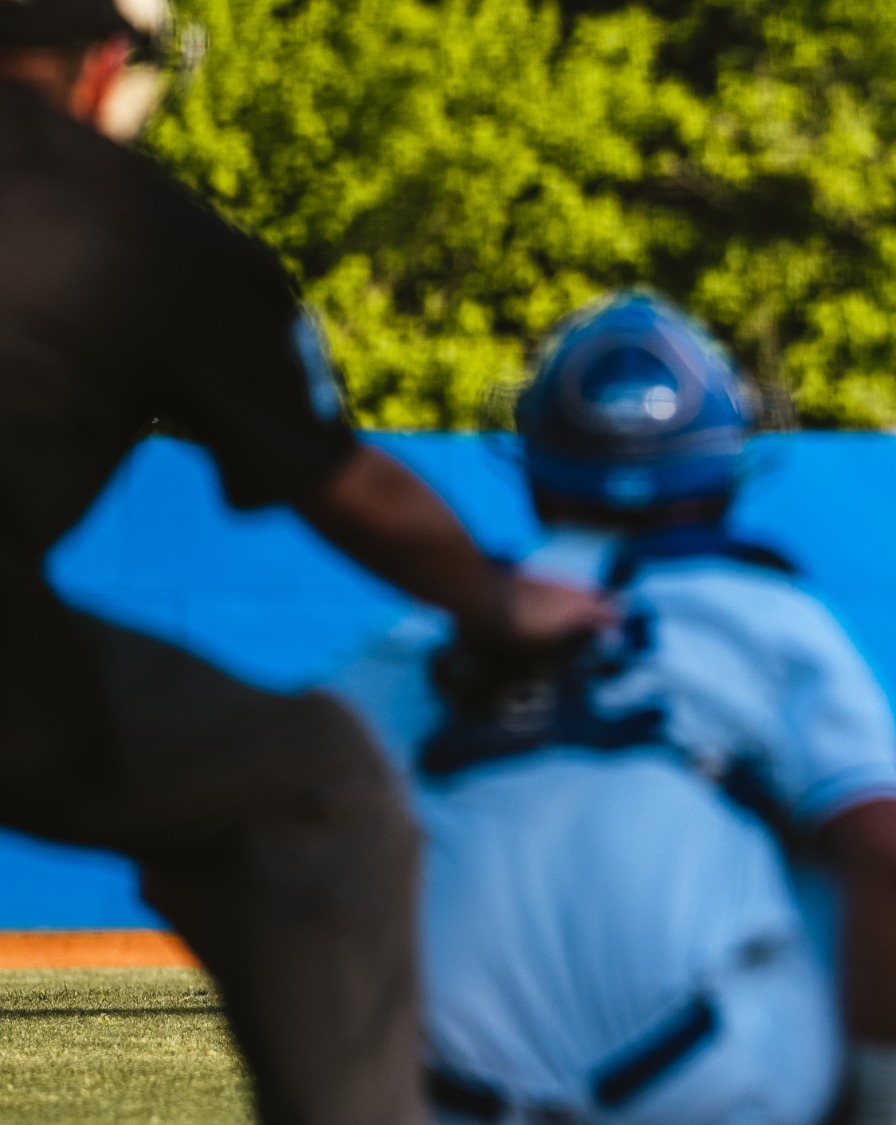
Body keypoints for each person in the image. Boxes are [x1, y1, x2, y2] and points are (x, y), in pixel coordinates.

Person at [0, 5, 608, 1121]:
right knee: (318, 784)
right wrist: (496, 601)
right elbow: (349, 488)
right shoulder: (136, 229)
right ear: (100, 69)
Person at [330, 290, 896, 1124]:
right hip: (703, 1080)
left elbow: (268, 843)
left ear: (537, 453)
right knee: (884, 824)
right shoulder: (766, 616)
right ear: (723, 454)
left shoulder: (413, 639)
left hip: (441, 1093)